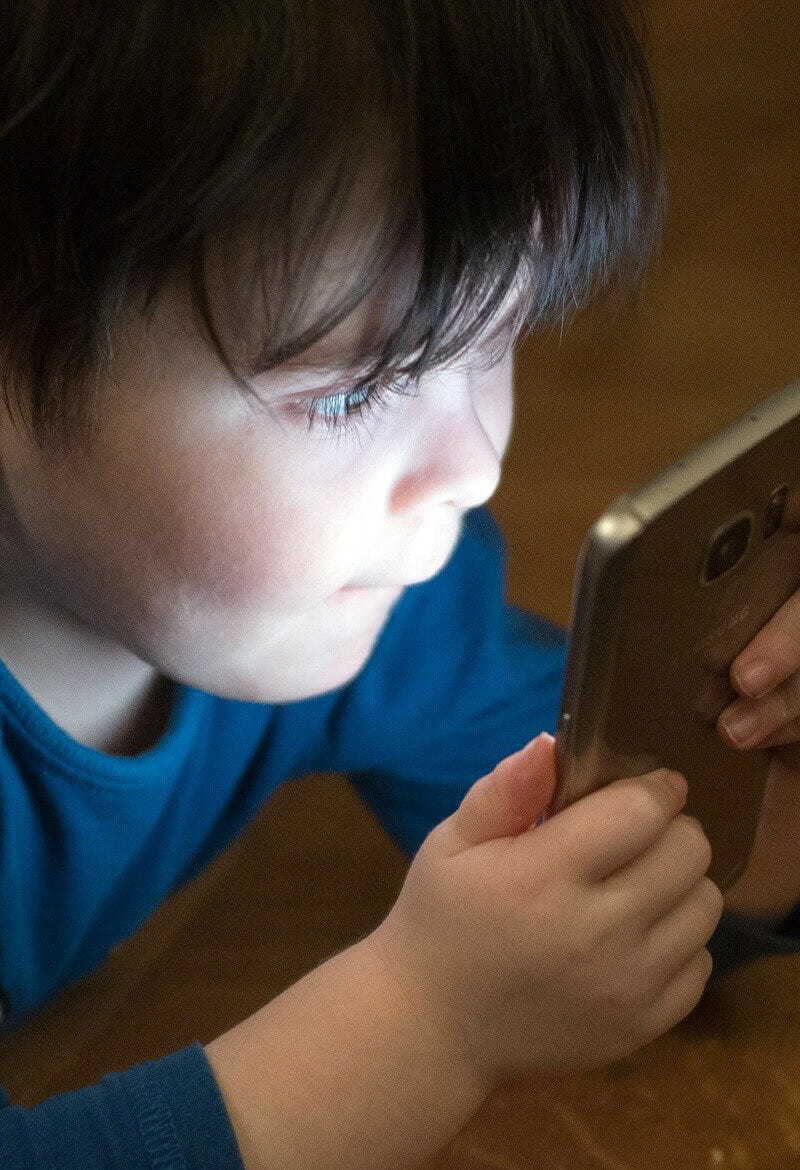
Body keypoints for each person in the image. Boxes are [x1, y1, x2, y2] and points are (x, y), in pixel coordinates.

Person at [1, 1, 799, 1166]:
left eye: (497, 336)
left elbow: (615, 868)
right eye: (350, 391)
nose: (470, 467)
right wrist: (424, 1024)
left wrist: (766, 771)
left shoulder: (363, 606)